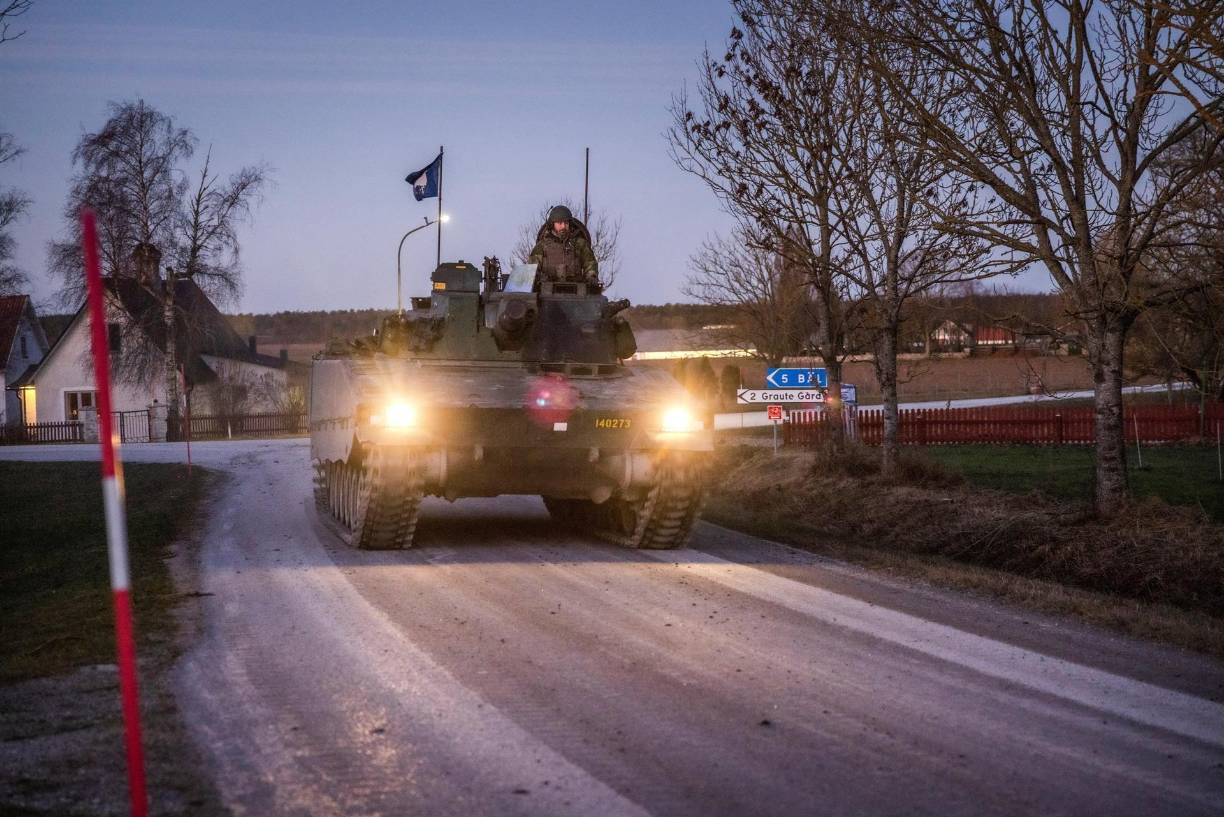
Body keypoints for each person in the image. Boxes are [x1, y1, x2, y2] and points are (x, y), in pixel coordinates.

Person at [527, 205, 600, 289]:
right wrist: (539, 279)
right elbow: (531, 270)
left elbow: (590, 263)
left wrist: (591, 278)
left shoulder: (580, 244)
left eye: (566, 223)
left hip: (576, 292)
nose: (563, 226)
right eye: (559, 223)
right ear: (552, 224)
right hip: (547, 291)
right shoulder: (542, 246)